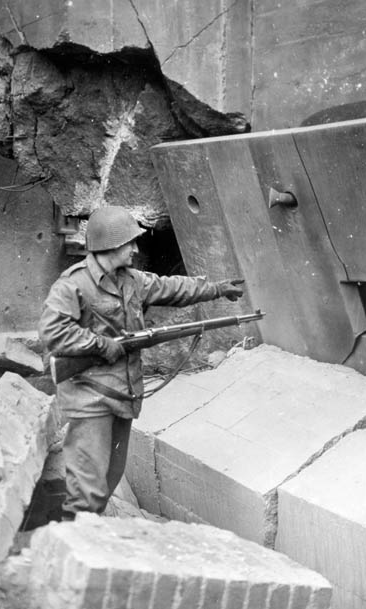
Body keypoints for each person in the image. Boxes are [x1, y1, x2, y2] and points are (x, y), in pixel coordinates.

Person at [38, 206, 243, 521]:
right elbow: (52, 332)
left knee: (110, 476)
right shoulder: (73, 285)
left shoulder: (131, 280)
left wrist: (215, 288)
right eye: (129, 243)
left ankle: (85, 535)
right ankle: (72, 543)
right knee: (88, 486)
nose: (135, 249)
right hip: (89, 396)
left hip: (124, 393)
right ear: (111, 245)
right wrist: (100, 344)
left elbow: (172, 287)